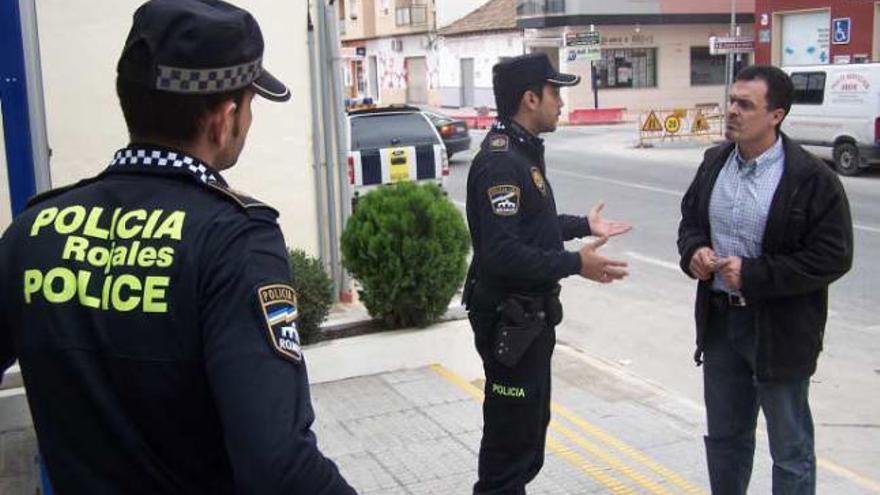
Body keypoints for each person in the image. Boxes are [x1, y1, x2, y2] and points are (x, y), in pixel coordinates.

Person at [0, 1, 356, 493]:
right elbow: (278, 466)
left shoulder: (31, 232)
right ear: (224, 118)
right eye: (249, 104)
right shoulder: (235, 243)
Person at [677, 65, 853, 494]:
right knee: (725, 441)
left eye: (745, 105)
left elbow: (833, 256)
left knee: (790, 451)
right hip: (721, 326)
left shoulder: (812, 179)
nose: (731, 111)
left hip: (780, 330)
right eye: (731, 101)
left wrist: (754, 275)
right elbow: (690, 222)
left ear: (776, 115)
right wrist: (694, 252)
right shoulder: (715, 161)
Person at [463, 53, 632, 494]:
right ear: (530, 98)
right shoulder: (503, 162)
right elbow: (503, 253)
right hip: (510, 319)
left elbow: (531, 226)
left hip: (527, 319)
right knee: (508, 452)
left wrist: (580, 227)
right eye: (555, 92)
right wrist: (576, 263)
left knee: (526, 440)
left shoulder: (521, 151)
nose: (562, 101)